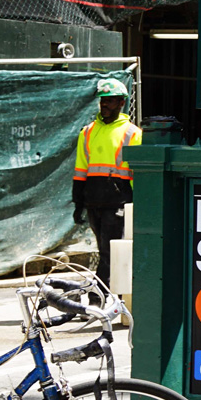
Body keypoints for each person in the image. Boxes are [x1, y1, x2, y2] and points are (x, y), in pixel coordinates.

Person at [72, 78, 142, 288]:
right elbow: (80, 169)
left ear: (122, 103)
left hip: (118, 203)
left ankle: (97, 296)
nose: (105, 104)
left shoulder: (133, 134)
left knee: (108, 252)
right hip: (94, 203)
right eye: (103, 100)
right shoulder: (87, 132)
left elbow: (138, 173)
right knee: (105, 250)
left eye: (110, 101)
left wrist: (138, 204)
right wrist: (78, 204)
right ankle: (110, 295)